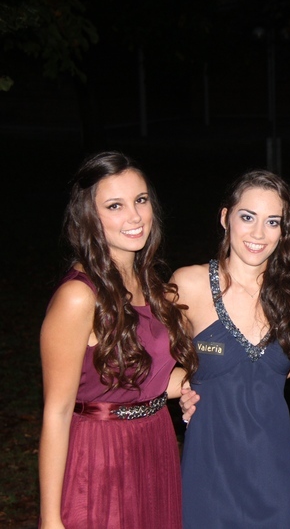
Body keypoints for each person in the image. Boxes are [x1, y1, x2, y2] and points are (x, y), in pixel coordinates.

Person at [38, 151, 197, 528]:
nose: (135, 216)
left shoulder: (152, 287)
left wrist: (192, 385)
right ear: (89, 218)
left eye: (140, 200)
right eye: (115, 206)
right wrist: (50, 518)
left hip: (155, 445)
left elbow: (147, 378)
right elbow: (57, 412)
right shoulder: (79, 296)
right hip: (100, 458)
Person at [174, 170, 290, 528]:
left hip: (275, 475)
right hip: (208, 472)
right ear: (225, 217)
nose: (258, 233)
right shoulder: (188, 285)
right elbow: (148, 363)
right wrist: (181, 385)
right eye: (247, 217)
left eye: (273, 222)